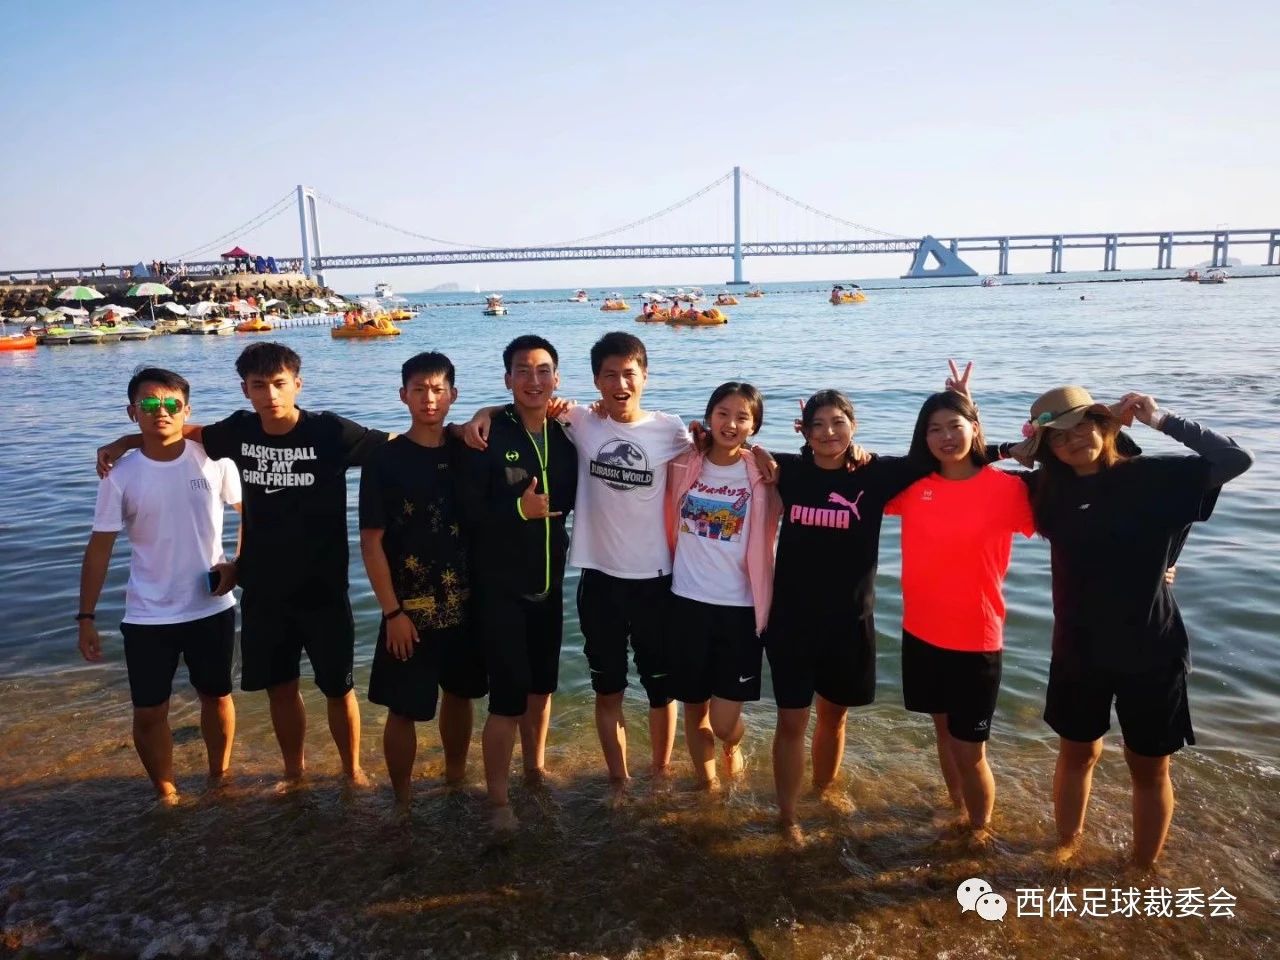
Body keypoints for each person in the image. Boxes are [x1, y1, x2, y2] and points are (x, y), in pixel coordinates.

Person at [96, 342, 390, 788]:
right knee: (280, 688)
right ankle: (294, 773)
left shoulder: (330, 432)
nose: (270, 395)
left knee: (339, 689)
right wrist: (127, 441)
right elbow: (180, 432)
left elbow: (397, 444)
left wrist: (468, 428)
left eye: (279, 384)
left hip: (323, 590)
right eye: (259, 385)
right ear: (245, 390)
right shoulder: (238, 430)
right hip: (264, 592)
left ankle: (352, 771)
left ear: (297, 384)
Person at [1018, 385, 1252, 868]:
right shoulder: (1046, 490)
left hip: (1151, 651)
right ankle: (1064, 850)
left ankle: (1141, 870)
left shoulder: (1153, 477)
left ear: (1104, 426)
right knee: (1076, 755)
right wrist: (1011, 442)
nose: (1072, 439)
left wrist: (1161, 419)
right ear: (1047, 449)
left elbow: (1234, 459)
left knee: (1148, 768)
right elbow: (966, 467)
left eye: (1082, 425)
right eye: (1057, 436)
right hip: (1077, 650)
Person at [465, 332, 691, 798]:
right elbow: (525, 403)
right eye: (610, 375)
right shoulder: (580, 421)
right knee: (607, 691)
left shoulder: (670, 430)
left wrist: (764, 459)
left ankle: (661, 776)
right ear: (595, 381)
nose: (620, 384)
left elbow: (718, 451)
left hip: (656, 581)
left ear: (645, 377)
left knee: (661, 690)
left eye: (629, 374)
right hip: (598, 581)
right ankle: (618, 782)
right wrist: (480, 414)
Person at [763, 390, 926, 843]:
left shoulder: (875, 475)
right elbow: (729, 445)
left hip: (849, 624)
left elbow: (937, 456)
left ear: (853, 425)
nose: (828, 432)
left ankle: (823, 791)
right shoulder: (788, 471)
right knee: (791, 721)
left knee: (834, 718)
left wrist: (996, 440)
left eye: (838, 422)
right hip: (792, 621)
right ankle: (788, 816)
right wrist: (707, 437)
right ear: (803, 430)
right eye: (817, 424)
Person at [884, 367, 1035, 841]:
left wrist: (1164, 561)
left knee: (972, 751)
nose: (946, 437)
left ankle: (979, 833)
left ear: (974, 427)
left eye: (955, 426)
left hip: (976, 640)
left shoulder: (1009, 489)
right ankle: (955, 810)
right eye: (935, 429)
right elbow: (856, 481)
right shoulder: (912, 486)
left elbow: (1080, 514)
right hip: (921, 632)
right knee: (943, 734)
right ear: (922, 436)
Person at [76, 368, 240, 804]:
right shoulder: (120, 475)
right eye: (148, 405)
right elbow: (99, 548)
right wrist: (86, 617)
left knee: (217, 697)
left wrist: (238, 565)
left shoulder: (215, 460)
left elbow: (254, 516)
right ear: (133, 412)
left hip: (211, 606)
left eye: (171, 404)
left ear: (187, 410)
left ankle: (219, 778)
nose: (160, 412)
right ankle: (166, 792)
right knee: (149, 711)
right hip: (148, 614)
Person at [359, 352, 484, 811]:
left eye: (437, 390)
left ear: (453, 395)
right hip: (408, 611)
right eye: (419, 390)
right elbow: (371, 543)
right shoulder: (384, 460)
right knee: (403, 709)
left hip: (465, 604)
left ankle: (455, 781)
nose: (429, 399)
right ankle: (403, 801)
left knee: (460, 696)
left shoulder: (467, 450)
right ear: (403, 395)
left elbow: (507, 417)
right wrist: (392, 612)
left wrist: (482, 416)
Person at [466, 335, 577, 831]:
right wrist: (518, 509)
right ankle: (497, 800)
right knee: (507, 701)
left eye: (543, 370)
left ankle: (535, 771)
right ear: (507, 378)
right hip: (501, 591)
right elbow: (469, 514)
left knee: (542, 690)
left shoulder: (567, 434)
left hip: (549, 587)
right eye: (523, 371)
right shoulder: (487, 436)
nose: (534, 380)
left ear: (556, 378)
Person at [665, 382, 781, 790]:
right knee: (694, 711)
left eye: (742, 417)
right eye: (723, 414)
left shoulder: (766, 474)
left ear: (754, 426)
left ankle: (733, 743)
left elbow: (824, 468)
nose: (731, 424)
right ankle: (708, 786)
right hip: (686, 604)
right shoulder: (683, 463)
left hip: (740, 611)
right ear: (709, 417)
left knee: (724, 722)